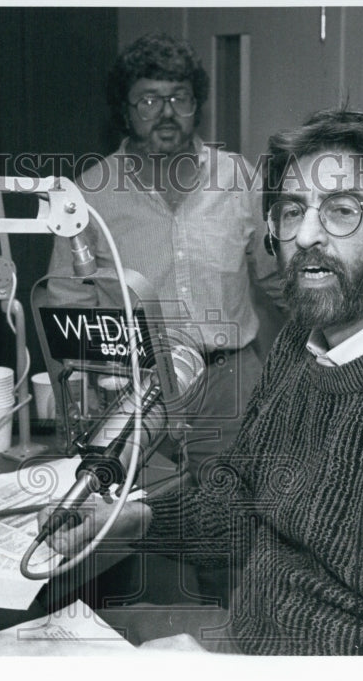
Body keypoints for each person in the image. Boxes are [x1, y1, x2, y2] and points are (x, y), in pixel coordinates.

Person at [44, 109, 363, 656]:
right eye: (292, 211)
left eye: (342, 210)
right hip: (246, 641)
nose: (306, 235)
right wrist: (135, 518)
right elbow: (240, 508)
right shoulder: (300, 344)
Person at [44, 32, 283, 482]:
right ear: (125, 110)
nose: (168, 112)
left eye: (180, 97)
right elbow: (67, 302)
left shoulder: (238, 177)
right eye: (149, 100)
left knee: (233, 519)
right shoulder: (90, 192)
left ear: (198, 103)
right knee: (143, 522)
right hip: (133, 389)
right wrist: (88, 391)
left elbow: (276, 277)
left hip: (229, 382)